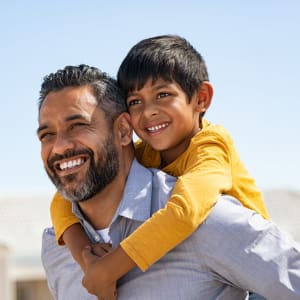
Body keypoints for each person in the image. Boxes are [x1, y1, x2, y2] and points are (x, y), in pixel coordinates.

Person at [38, 64, 300, 299]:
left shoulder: (209, 220)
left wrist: (107, 269)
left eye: (78, 126)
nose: (59, 147)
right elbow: (62, 199)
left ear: (122, 130)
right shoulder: (55, 247)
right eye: (46, 135)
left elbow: (185, 213)